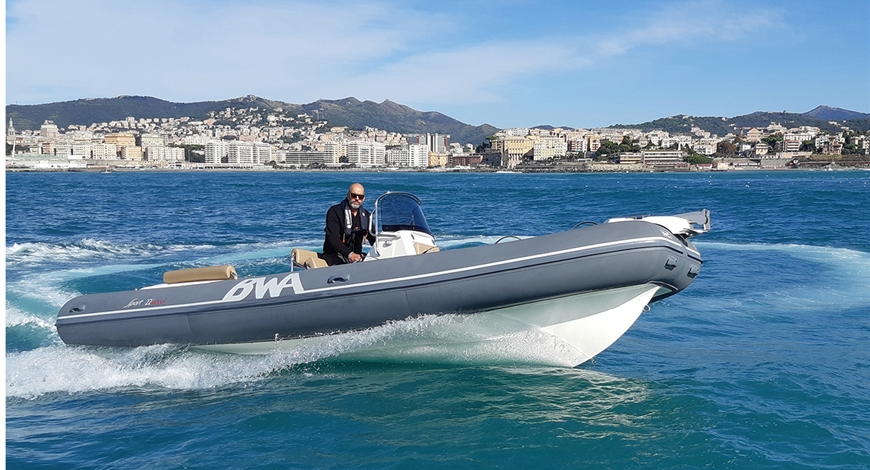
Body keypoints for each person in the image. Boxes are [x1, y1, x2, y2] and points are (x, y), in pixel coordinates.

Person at [321, 183, 376, 266]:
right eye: (354, 196)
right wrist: (349, 254)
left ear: (363, 199)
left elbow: (373, 238)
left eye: (360, 197)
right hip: (335, 255)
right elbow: (332, 237)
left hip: (356, 257)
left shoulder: (366, 216)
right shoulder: (335, 212)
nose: (357, 199)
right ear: (348, 195)